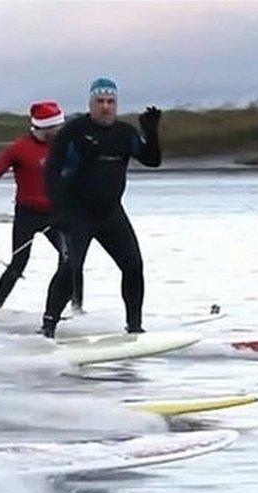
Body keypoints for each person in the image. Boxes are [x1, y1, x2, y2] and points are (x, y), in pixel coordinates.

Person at [42, 77, 162, 338]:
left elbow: (152, 161)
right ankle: (48, 326)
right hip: (77, 214)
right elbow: (51, 172)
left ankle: (134, 327)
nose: (106, 107)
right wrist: (57, 211)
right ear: (90, 103)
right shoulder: (73, 132)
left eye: (111, 102)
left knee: (133, 267)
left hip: (110, 214)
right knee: (70, 268)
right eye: (100, 102)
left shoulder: (125, 133)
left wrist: (151, 132)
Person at [0, 101, 74, 319]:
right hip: (27, 214)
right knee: (18, 264)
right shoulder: (19, 148)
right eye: (57, 127)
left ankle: (73, 309)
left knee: (70, 261)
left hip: (55, 214)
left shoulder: (63, 146)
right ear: (44, 127)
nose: (61, 130)